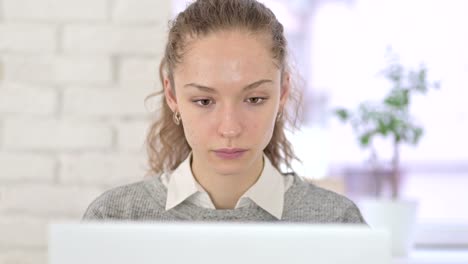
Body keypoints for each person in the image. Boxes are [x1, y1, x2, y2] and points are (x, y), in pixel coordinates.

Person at [83, 0, 365, 223]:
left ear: (283, 93)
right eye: (204, 101)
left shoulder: (336, 222)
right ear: (172, 96)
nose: (230, 129)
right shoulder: (115, 219)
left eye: (254, 99)